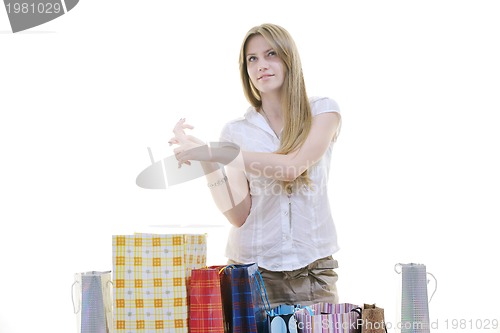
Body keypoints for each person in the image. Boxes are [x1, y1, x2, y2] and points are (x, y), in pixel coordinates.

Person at [170, 23, 342, 308]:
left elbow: (291, 167)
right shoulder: (237, 132)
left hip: (314, 273)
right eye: (252, 59)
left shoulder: (323, 112)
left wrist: (221, 152)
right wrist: (207, 161)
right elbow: (238, 215)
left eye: (271, 54)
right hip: (251, 273)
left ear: (289, 58)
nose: (261, 65)